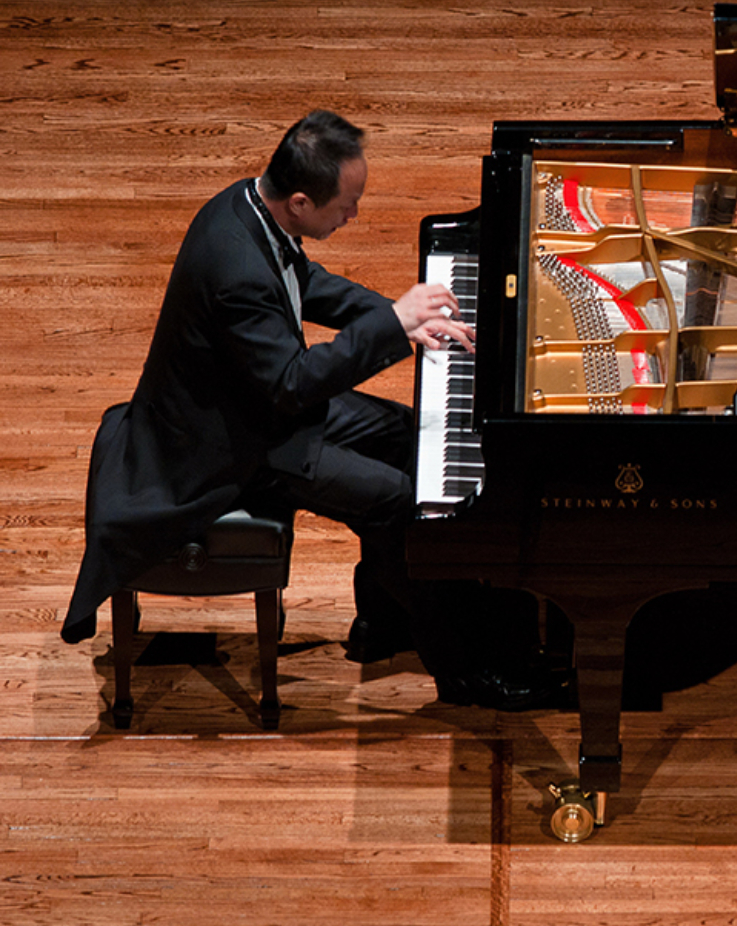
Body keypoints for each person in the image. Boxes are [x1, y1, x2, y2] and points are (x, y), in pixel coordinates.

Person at [63, 110, 560, 712]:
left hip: (252, 406)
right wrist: (391, 324)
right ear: (300, 202)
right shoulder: (236, 272)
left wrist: (402, 316)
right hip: (229, 447)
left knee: (407, 435)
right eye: (346, 205)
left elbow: (306, 282)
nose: (354, 215)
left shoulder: (248, 206)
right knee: (400, 500)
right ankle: (464, 671)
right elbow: (292, 385)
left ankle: (383, 621)